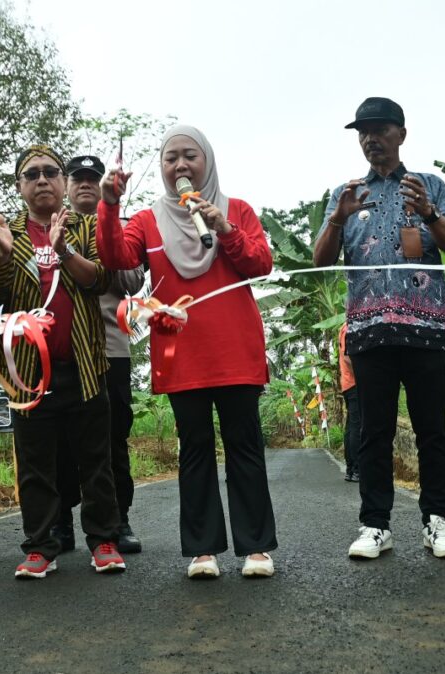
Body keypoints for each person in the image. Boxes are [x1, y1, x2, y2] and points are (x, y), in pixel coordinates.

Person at [98, 125, 278, 579]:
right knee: (194, 449)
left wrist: (224, 228)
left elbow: (261, 264)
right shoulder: (145, 220)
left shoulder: (237, 210)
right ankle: (203, 551)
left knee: (244, 446)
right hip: (183, 355)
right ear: (161, 168)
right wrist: (110, 204)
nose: (180, 166)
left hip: (236, 351)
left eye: (189, 156)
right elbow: (116, 257)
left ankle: (255, 548)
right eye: (171, 158)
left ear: (208, 161)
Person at [313, 96, 445, 560]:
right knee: (374, 433)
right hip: (367, 330)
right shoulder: (346, 192)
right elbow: (320, 261)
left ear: (401, 133)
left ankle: (438, 522)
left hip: (425, 328)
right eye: (363, 132)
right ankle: (375, 525)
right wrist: (338, 217)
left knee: (431, 430)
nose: (370, 139)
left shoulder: (431, 186)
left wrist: (429, 214)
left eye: (379, 129)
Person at [0, 144, 124, 579]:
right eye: (31, 174)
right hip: (29, 374)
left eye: (50, 172)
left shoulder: (87, 226)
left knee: (95, 460)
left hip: (86, 363)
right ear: (20, 186)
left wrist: (66, 251)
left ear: (63, 182)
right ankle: (41, 547)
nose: (42, 180)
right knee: (36, 464)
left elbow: (103, 280)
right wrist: (0, 256)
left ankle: (104, 542)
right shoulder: (8, 233)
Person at [53, 155, 146, 554]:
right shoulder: (50, 228)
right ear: (67, 185)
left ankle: (117, 517)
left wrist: (108, 236)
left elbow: (132, 280)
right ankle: (59, 523)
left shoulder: (121, 227)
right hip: (62, 350)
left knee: (112, 438)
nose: (86, 185)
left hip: (110, 348)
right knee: (59, 440)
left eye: (94, 178)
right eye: (78, 178)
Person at [338, 323, 360, 482]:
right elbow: (348, 357)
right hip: (354, 383)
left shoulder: (345, 327)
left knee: (351, 426)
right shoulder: (349, 328)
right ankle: (357, 469)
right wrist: (362, 375)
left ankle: (350, 469)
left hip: (347, 383)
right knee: (356, 426)